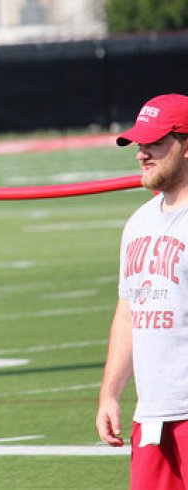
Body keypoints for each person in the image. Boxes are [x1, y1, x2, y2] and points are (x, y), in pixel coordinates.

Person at [97, 93, 188, 489]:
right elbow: (129, 309)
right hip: (150, 418)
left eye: (154, 143)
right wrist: (110, 394)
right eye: (139, 144)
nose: (141, 154)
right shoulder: (139, 222)